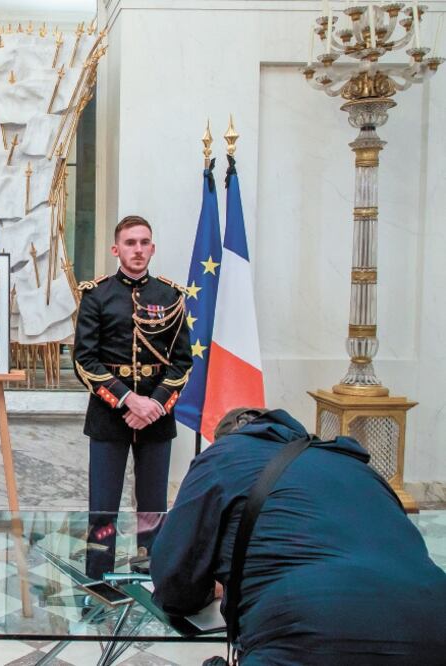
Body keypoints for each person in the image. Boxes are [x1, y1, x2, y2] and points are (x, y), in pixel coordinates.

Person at [150, 408, 446, 665]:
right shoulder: (355, 465)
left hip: (305, 634)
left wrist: (213, 588)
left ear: (225, 438)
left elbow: (174, 580)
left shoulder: (223, 455)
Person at [72, 215, 192, 579]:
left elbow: (182, 362)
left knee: (153, 508)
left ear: (152, 248)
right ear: (116, 249)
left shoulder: (170, 296)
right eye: (130, 243)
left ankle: (148, 578)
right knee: (103, 507)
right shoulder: (97, 295)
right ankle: (98, 580)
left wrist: (152, 404)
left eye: (144, 243)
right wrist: (128, 400)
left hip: (156, 417)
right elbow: (85, 359)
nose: (137, 250)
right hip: (110, 415)